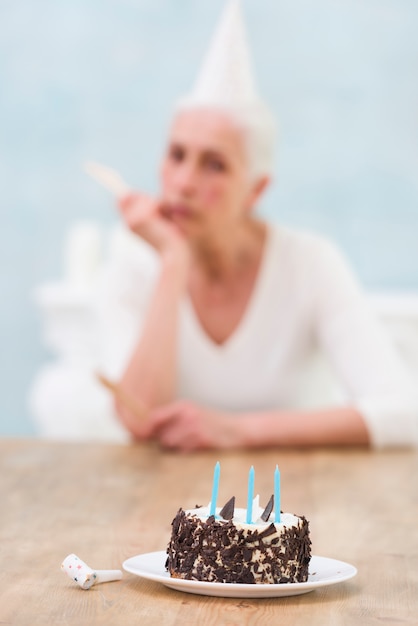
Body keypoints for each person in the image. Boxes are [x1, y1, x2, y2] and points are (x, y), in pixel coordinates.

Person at [96, 0, 417, 450]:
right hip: (172, 510)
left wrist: (238, 431)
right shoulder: (134, 258)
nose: (184, 182)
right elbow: (138, 417)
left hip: (295, 499)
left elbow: (403, 413)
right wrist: (173, 261)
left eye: (215, 165)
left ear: (256, 190)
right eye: (176, 155)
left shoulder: (308, 262)